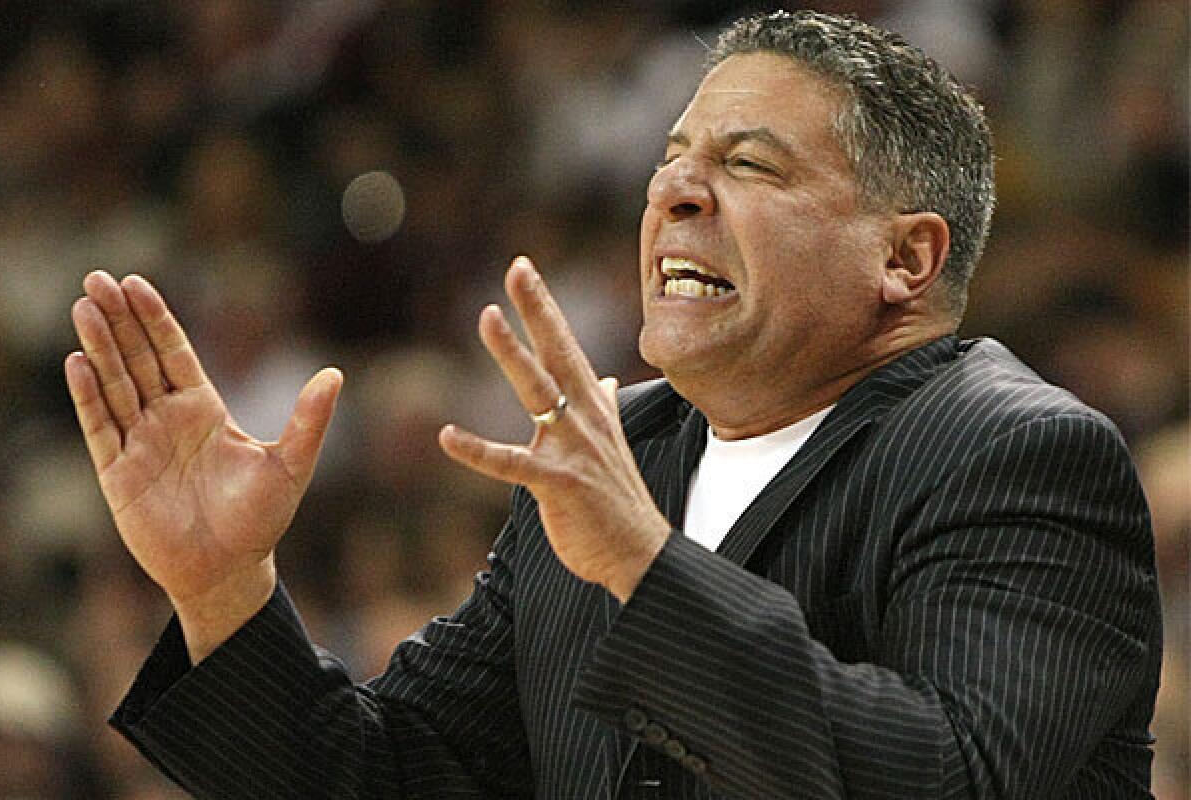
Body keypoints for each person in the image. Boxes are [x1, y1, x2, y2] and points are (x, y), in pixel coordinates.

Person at [66, 10, 1161, 799]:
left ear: (906, 257)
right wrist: (220, 590)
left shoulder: (1019, 454)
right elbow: (403, 773)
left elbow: (951, 777)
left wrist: (644, 563)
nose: (673, 191)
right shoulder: (617, 456)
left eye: (750, 165)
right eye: (673, 158)